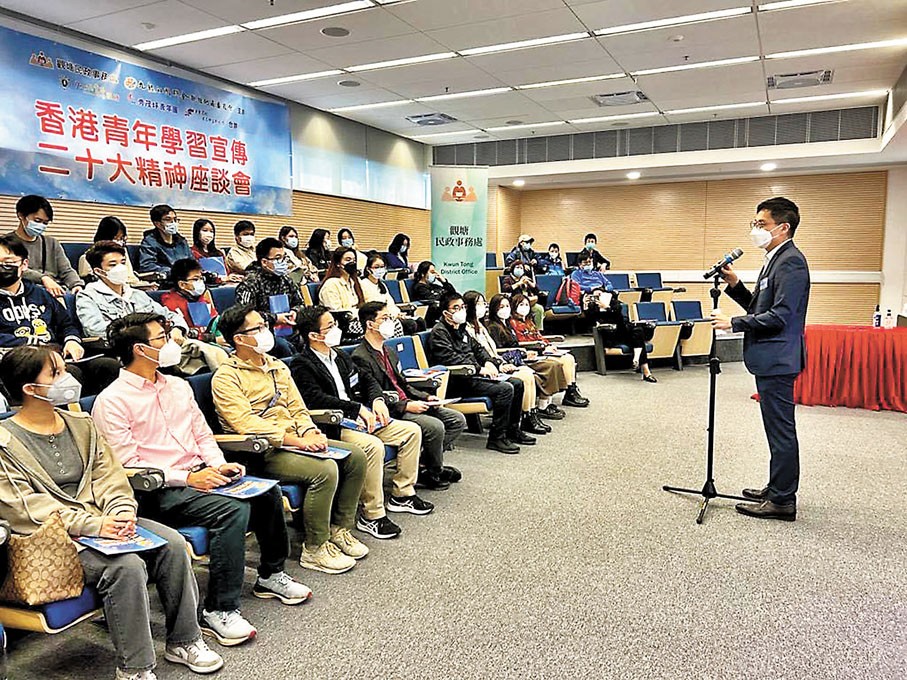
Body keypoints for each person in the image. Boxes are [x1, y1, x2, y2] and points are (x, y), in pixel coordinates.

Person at [0, 345, 224, 679]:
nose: (68, 378)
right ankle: (135, 668)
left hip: (104, 520)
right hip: (53, 538)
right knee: (126, 566)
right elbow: (25, 508)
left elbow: (110, 475)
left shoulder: (81, 424)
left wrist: (120, 510)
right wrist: (93, 525)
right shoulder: (4, 443)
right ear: (30, 389)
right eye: (56, 373)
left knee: (173, 545)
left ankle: (184, 640)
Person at [94, 313, 311, 648]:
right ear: (139, 348)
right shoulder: (112, 401)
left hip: (199, 472)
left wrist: (220, 465)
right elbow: (128, 466)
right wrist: (189, 478)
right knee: (232, 510)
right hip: (158, 489)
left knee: (266, 493)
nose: (171, 342)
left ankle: (271, 574)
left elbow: (202, 435)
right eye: (162, 337)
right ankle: (219, 609)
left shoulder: (177, 386)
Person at [212, 304, 368, 573]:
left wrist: (308, 430)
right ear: (239, 338)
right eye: (258, 328)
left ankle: (339, 529)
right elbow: (244, 423)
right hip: (260, 450)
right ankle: (315, 547)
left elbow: (297, 407)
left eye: (265, 325)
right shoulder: (226, 377)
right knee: (325, 470)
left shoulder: (276, 366)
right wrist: (296, 441)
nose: (266, 331)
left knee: (356, 456)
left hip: (295, 438)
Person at [291, 306, 430, 540]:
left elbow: (366, 379)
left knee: (411, 431)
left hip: (359, 417)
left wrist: (377, 400)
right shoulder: (302, 364)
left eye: (335, 324)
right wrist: (356, 409)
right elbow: (314, 399)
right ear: (314, 335)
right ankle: (372, 515)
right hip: (334, 424)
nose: (337, 329)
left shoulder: (339, 355)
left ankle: (402, 494)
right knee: (372, 446)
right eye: (330, 326)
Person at [711, 197, 810, 522]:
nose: (755, 229)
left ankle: (782, 501)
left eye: (762, 224)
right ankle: (776, 487)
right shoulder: (774, 259)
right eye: (754, 223)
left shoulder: (791, 262)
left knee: (781, 431)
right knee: (775, 429)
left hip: (778, 358)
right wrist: (735, 285)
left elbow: (780, 316)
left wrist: (733, 323)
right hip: (771, 357)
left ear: (783, 227)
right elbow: (759, 307)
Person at [353, 301, 465, 491]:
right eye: (385, 318)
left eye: (390, 317)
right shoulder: (360, 356)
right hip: (390, 409)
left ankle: (425, 466)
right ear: (370, 324)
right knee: (435, 426)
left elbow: (403, 384)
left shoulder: (389, 351)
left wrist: (425, 397)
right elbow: (370, 394)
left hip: (408, 401)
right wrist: (405, 406)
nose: (390, 322)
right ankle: (433, 471)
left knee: (456, 420)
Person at [76, 243, 225, 376]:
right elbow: (95, 329)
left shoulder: (137, 294)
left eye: (123, 262)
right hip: (121, 352)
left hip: (154, 347)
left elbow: (170, 315)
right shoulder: (88, 296)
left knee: (203, 354)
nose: (121, 268)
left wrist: (177, 329)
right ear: (99, 271)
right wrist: (144, 334)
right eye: (112, 265)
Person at [0, 235, 119, 395]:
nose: (2, 268)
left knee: (108, 367)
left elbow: (66, 324)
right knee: (69, 375)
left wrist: (71, 340)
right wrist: (34, 344)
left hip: (57, 355)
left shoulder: (41, 294)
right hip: (18, 360)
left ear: (24, 264)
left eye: (8, 263)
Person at [428, 291, 534, 454]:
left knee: (517, 383)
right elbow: (450, 359)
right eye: (456, 308)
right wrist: (479, 369)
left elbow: (478, 349)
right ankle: (497, 438)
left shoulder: (461, 328)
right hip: (457, 380)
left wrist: (489, 362)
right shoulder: (439, 332)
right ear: (446, 313)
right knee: (505, 389)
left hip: (473, 376)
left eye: (462, 307)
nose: (460, 311)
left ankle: (512, 430)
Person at [464, 292, 551, 434]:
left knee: (528, 374)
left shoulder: (481, 326)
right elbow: (478, 354)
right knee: (523, 377)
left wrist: (500, 363)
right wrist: (497, 364)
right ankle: (521, 420)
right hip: (486, 368)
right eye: (478, 304)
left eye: (483, 303)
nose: (482, 307)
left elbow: (488, 352)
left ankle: (529, 415)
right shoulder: (468, 329)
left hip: (496, 363)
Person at [572, 249, 657, 383]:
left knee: (637, 331)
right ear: (580, 264)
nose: (588, 265)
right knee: (633, 333)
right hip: (609, 331)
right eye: (585, 263)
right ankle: (641, 366)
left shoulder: (599, 278)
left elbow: (610, 289)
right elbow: (577, 288)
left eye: (590, 262)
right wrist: (592, 290)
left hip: (620, 326)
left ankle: (643, 367)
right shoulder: (579, 280)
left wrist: (605, 298)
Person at [482, 292, 569, 420]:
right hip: (511, 360)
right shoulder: (493, 327)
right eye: (501, 307)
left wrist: (541, 347)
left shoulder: (507, 324)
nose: (505, 309)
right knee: (544, 368)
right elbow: (501, 350)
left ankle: (547, 403)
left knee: (557, 363)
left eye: (507, 306)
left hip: (521, 356)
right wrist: (524, 352)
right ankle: (533, 411)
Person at [507, 292, 589, 407]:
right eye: (521, 305)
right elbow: (524, 341)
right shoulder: (513, 323)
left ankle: (571, 391)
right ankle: (547, 403)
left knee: (568, 358)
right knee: (558, 362)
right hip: (531, 352)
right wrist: (543, 348)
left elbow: (539, 336)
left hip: (541, 349)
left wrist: (548, 345)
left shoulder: (529, 321)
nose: (524, 307)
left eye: (526, 304)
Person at [234, 238, 303, 358]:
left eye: (284, 258)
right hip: (263, 333)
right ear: (264, 262)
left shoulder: (286, 280)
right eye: (278, 258)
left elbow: (300, 303)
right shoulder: (250, 283)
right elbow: (244, 315)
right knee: (282, 346)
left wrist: (295, 312)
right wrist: (275, 318)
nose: (283, 262)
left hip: (290, 327)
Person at [6, 194, 82, 297]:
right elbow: (12, 269)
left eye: (45, 223)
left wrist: (76, 284)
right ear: (21, 216)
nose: (41, 225)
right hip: (24, 292)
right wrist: (43, 278)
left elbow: (66, 270)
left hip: (56, 291)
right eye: (37, 221)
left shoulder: (52, 243)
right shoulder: (6, 243)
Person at [160, 258, 226, 347]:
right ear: (182, 284)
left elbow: (215, 322)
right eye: (196, 279)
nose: (201, 282)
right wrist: (213, 339)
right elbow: (183, 334)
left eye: (201, 278)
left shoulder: (201, 297)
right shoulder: (170, 303)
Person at [360, 253, 424, 336]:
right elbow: (369, 306)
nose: (380, 269)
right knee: (410, 324)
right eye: (376, 267)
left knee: (420, 321)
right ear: (368, 269)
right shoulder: (363, 284)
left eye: (382, 267)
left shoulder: (382, 285)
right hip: (378, 318)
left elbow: (390, 304)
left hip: (391, 315)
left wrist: (398, 313)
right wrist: (391, 315)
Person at [77, 216, 142, 287]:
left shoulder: (122, 253)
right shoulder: (86, 258)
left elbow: (131, 277)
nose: (119, 241)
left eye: (121, 238)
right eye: (115, 238)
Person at [138, 204, 192, 277]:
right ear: (157, 224)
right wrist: (172, 272)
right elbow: (147, 266)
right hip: (167, 279)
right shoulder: (150, 242)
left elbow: (192, 262)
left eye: (175, 219)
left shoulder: (182, 241)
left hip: (187, 278)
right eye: (168, 219)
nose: (173, 223)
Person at [501, 260, 545, 330]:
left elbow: (537, 291)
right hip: (515, 303)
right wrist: (519, 283)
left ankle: (538, 330)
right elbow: (506, 289)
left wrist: (530, 283)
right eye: (517, 267)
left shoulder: (525, 278)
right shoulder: (508, 279)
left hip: (528, 302)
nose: (519, 269)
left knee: (539, 309)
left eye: (521, 268)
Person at [411, 261, 456, 327]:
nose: (434, 275)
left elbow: (453, 294)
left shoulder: (434, 286)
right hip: (432, 316)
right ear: (423, 274)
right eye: (432, 272)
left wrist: (444, 282)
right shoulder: (419, 287)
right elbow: (432, 298)